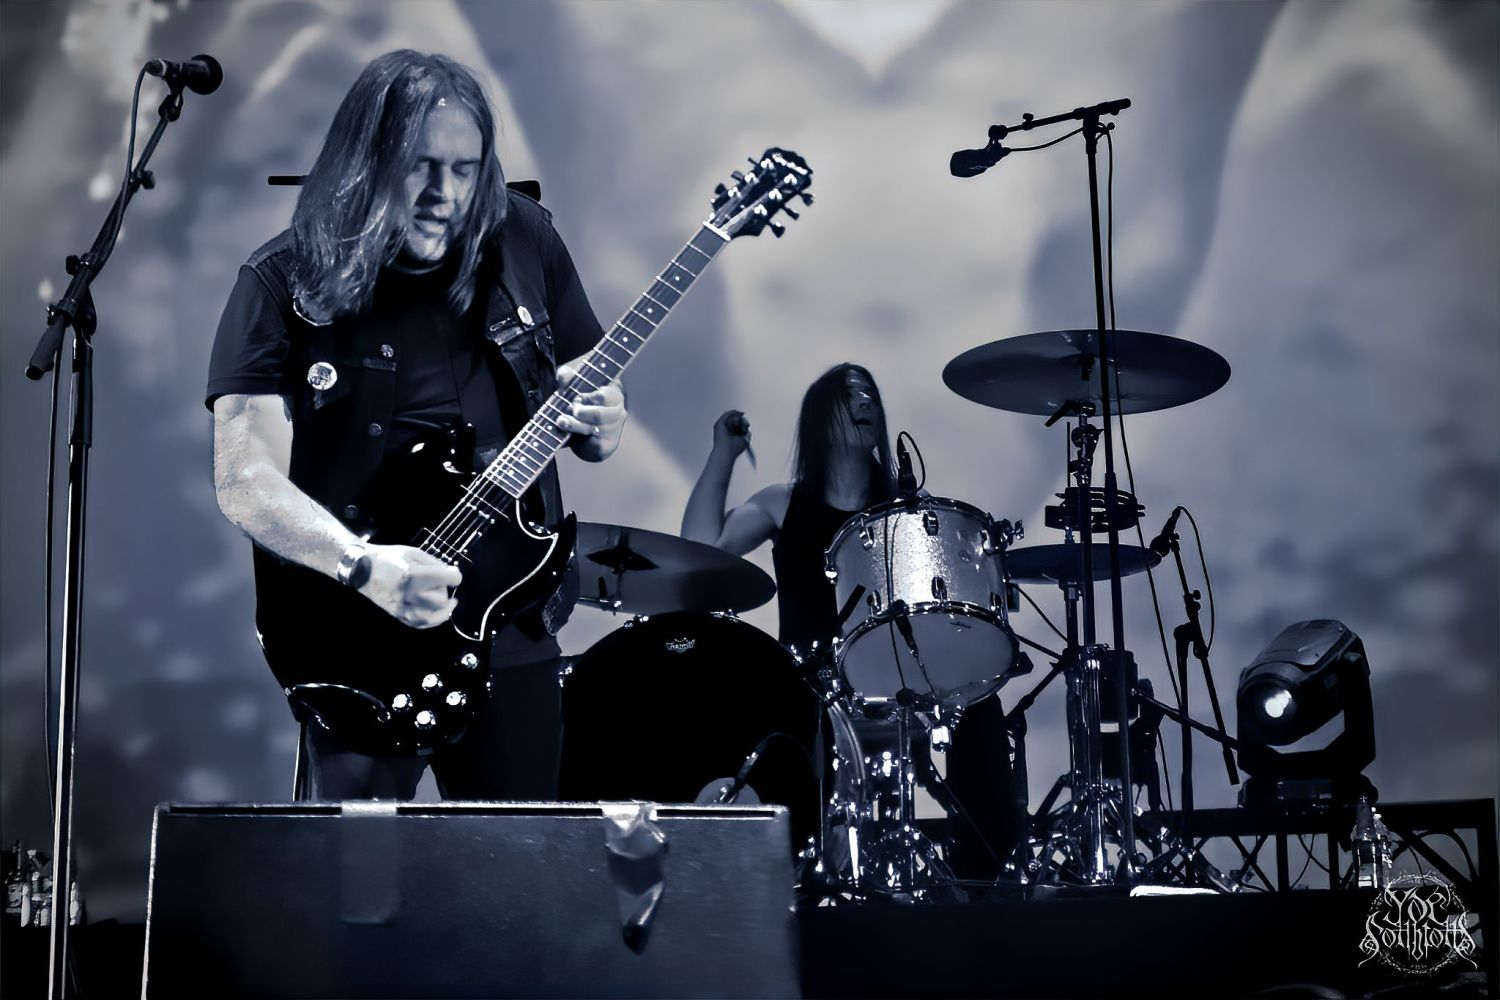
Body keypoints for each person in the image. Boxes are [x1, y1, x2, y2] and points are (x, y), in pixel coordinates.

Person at [207, 51, 625, 802]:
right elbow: (245, 479)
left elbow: (590, 392)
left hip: (512, 617)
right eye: (421, 168)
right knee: (362, 874)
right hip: (360, 640)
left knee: (522, 865)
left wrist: (605, 419)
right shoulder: (279, 281)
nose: (446, 195)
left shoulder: (524, 237)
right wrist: (363, 567)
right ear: (364, 166)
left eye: (466, 170)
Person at [681, 363, 1025, 879]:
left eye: (871, 396)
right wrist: (722, 455)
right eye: (850, 395)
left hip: (897, 679)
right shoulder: (782, 502)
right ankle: (789, 869)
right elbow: (701, 550)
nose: (865, 402)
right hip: (809, 683)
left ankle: (983, 875)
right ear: (819, 416)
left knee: (979, 699)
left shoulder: (908, 508)